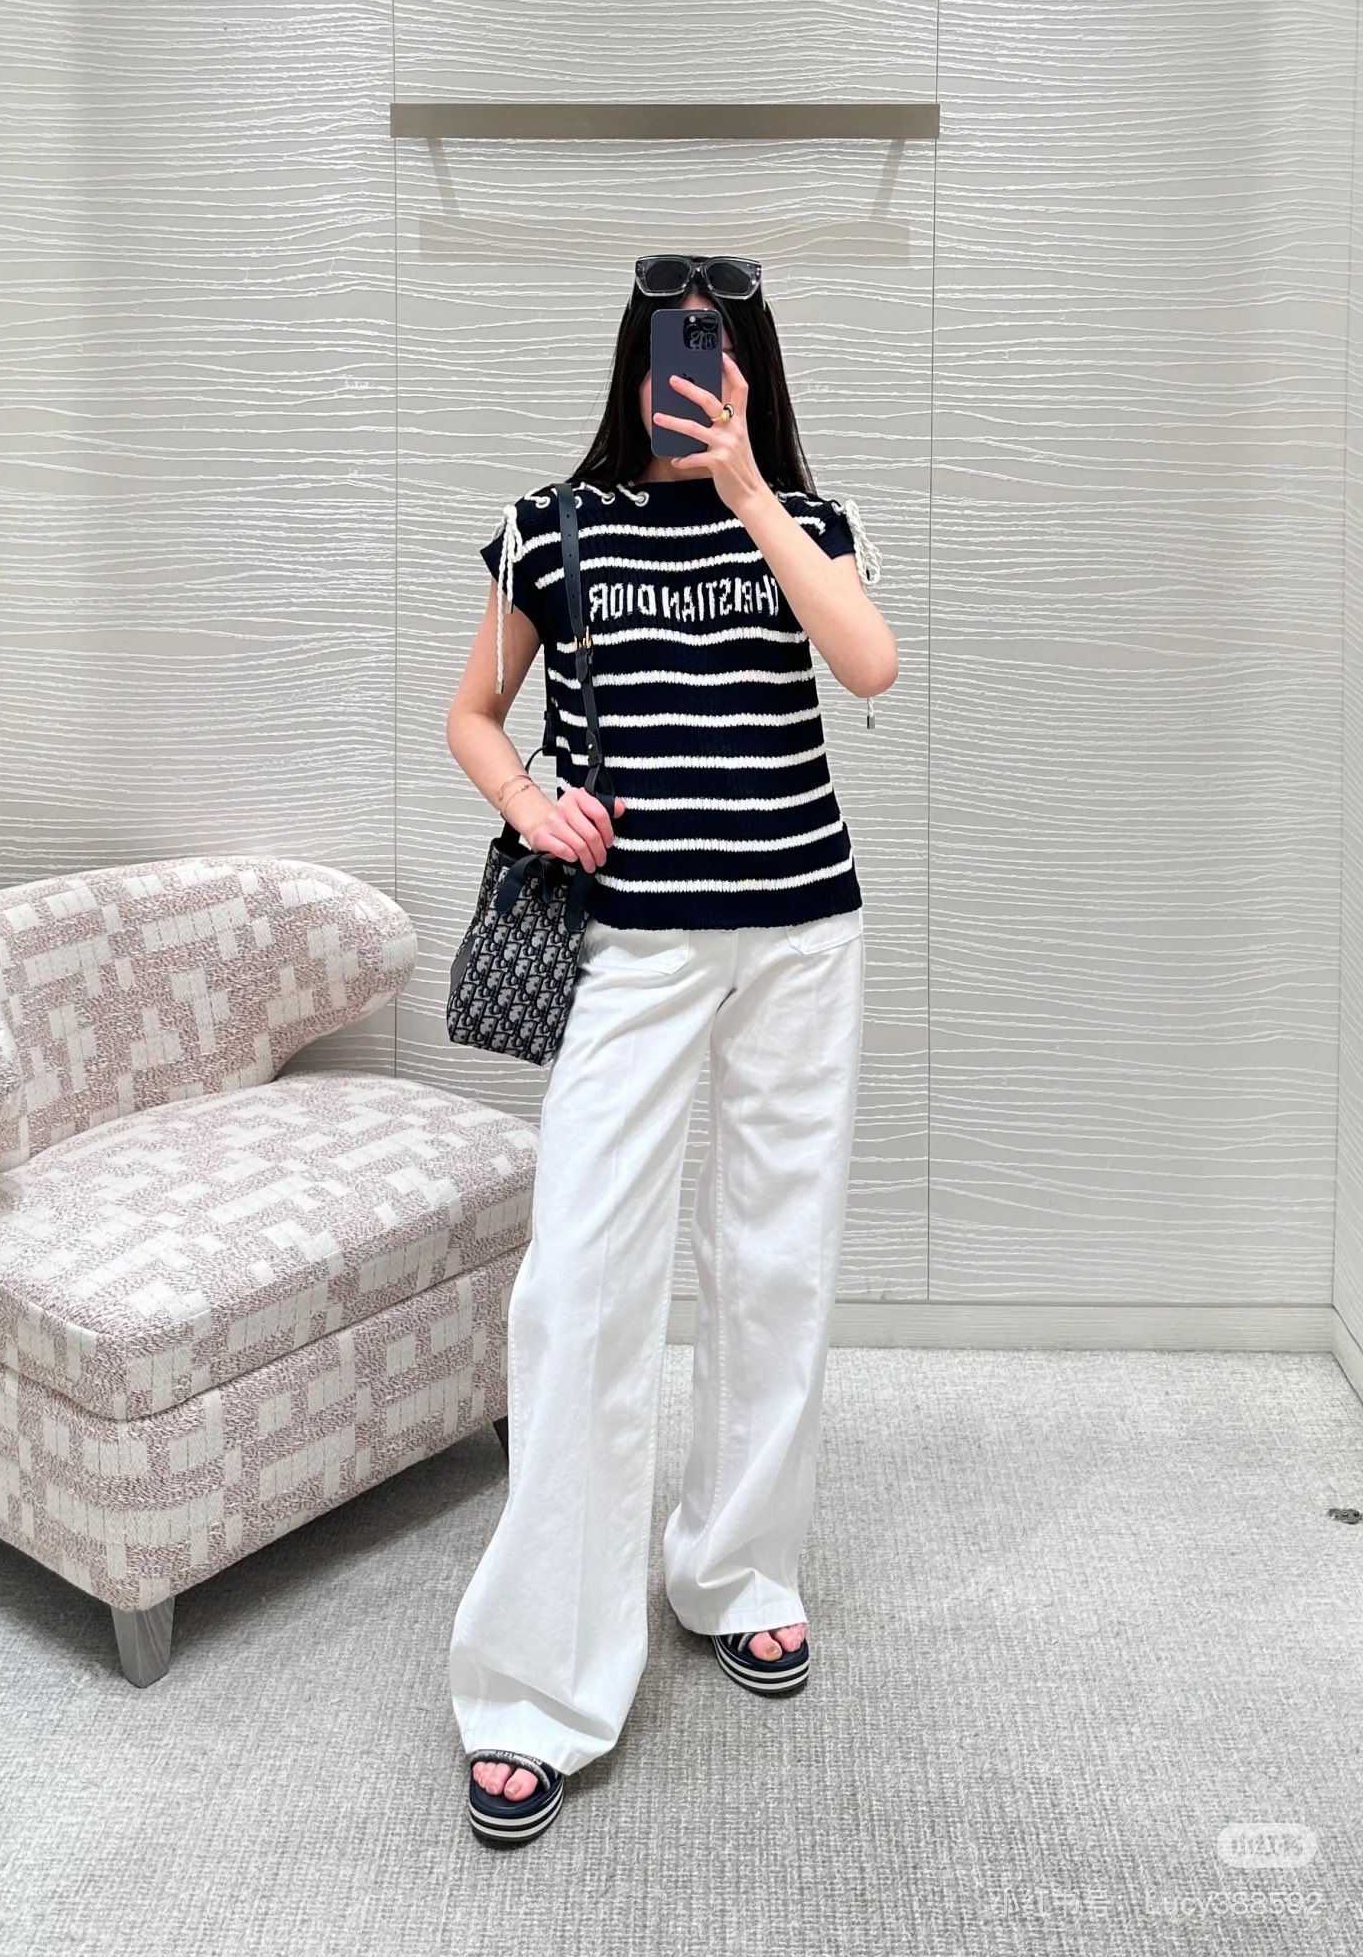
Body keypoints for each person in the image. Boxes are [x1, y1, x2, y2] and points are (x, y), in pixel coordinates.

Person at [443, 254, 898, 1848]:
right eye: (662, 350)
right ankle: (535, 1684)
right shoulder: (553, 527)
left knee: (774, 1261)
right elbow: (473, 713)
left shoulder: (811, 523)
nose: (682, 376)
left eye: (711, 353)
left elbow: (870, 664)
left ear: (750, 369)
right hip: (632, 945)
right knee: (579, 1284)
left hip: (801, 935)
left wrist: (753, 488)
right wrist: (526, 801)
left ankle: (738, 1570)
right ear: (629, 362)